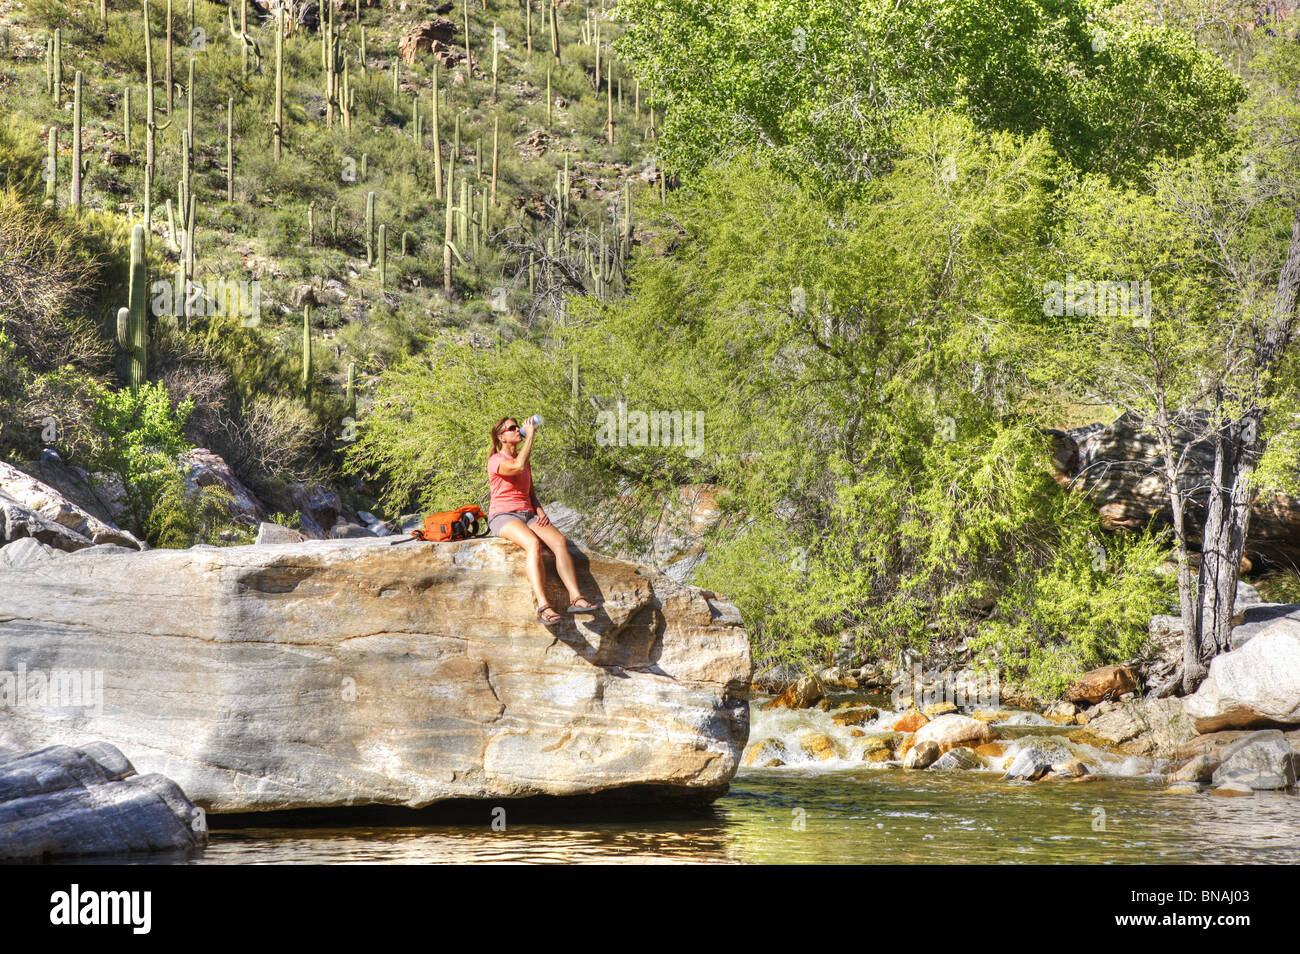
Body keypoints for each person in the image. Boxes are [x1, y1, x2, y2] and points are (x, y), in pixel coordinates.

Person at [487, 416, 600, 624]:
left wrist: (539, 510)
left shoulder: (524, 460)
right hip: (503, 515)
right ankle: (544, 606)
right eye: (512, 428)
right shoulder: (496, 460)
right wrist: (530, 436)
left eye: (517, 427)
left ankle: (576, 598)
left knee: (559, 542)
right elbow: (518, 467)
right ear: (501, 437)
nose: (517, 430)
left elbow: (530, 492)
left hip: (528, 514)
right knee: (533, 544)